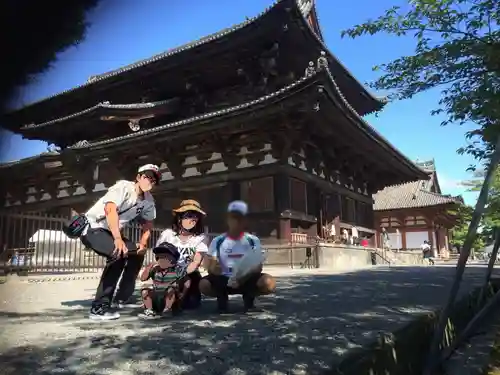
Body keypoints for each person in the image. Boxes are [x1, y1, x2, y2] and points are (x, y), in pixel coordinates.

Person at [81, 164, 160, 321]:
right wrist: (118, 239)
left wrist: (143, 243)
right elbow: (110, 210)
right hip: (93, 228)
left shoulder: (149, 200)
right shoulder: (124, 187)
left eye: (153, 179)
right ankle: (99, 308)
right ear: (138, 177)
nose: (149, 181)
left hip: (111, 232)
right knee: (118, 254)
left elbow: (148, 223)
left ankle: (122, 298)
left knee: (136, 253)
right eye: (147, 177)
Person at [199, 200, 276, 313]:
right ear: (228, 220)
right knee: (204, 284)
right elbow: (212, 266)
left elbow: (258, 266)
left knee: (268, 282)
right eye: (233, 217)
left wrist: (241, 277)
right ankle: (222, 300)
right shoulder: (218, 240)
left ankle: (249, 299)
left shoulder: (253, 240)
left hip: (246, 276)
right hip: (224, 277)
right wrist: (221, 271)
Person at [155, 199, 208, 310]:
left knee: (190, 305)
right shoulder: (167, 235)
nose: (192, 219)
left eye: (196, 216)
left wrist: (180, 275)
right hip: (167, 272)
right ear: (179, 217)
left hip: (189, 274)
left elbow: (196, 262)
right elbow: (159, 257)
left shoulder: (201, 238)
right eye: (188, 215)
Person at [139, 242, 184, 319]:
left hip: (170, 298)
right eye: (160, 257)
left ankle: (167, 309)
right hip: (157, 295)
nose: (162, 259)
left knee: (171, 290)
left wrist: (182, 293)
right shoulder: (155, 269)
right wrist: (149, 267)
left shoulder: (177, 269)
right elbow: (143, 278)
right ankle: (149, 310)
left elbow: (186, 280)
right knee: (145, 291)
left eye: (165, 256)